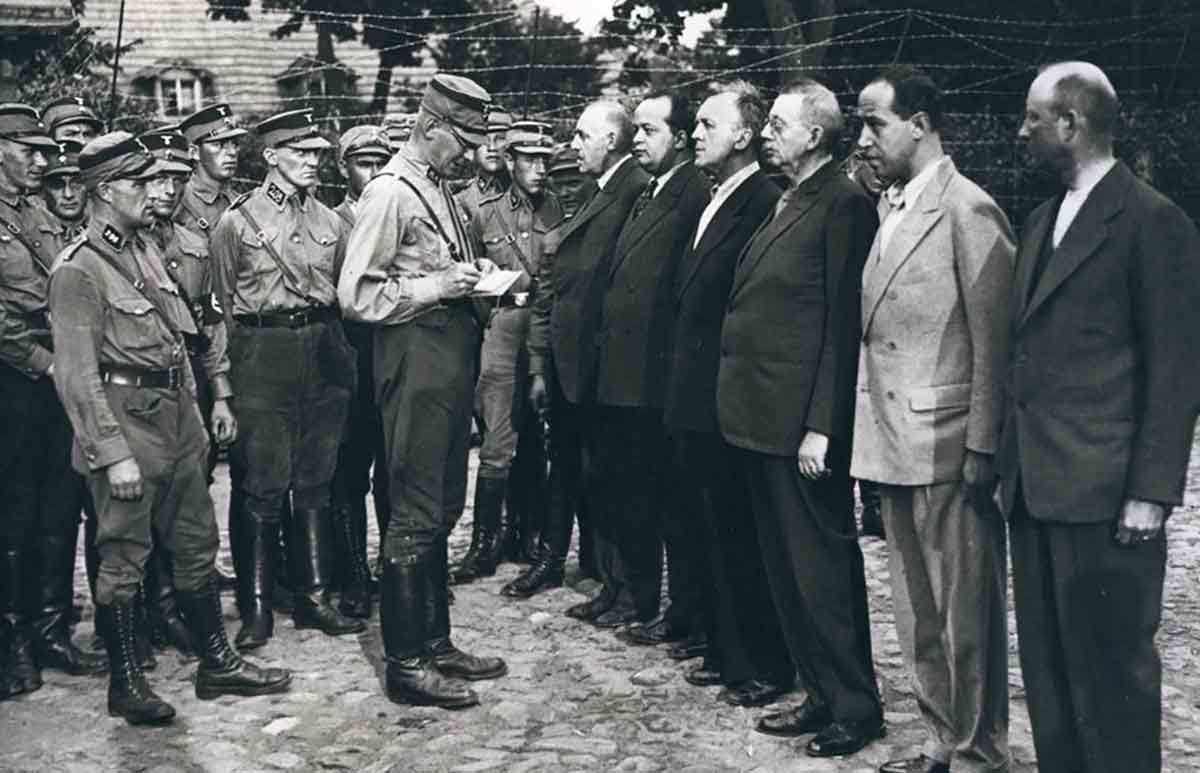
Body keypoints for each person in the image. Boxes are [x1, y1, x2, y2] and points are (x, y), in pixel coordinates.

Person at [48, 132, 291, 725]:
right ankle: (127, 683)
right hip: (126, 422)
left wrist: (199, 419)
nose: (156, 191)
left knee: (196, 542)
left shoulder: (145, 249)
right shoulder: (78, 269)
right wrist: (111, 453)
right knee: (124, 554)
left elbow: (180, 337)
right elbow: (77, 376)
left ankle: (217, 662)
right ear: (107, 191)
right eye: (141, 182)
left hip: (176, 419)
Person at [999, 61, 1200, 773]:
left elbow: (1176, 367)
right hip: (1036, 490)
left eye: (1031, 118)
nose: (1020, 131)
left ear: (1070, 123)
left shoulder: (1152, 220)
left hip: (1107, 497)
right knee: (1050, 678)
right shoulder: (1040, 220)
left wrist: (1151, 490)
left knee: (1113, 679)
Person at [852, 66, 1014, 773]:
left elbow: (994, 341)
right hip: (894, 442)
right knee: (917, 609)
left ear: (919, 124)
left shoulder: (967, 209)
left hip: (948, 445)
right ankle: (941, 738)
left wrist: (983, 444)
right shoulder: (891, 208)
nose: (863, 139)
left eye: (875, 123)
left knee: (965, 612)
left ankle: (980, 752)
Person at [717, 79, 883, 755]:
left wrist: (823, 426)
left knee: (821, 572)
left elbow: (842, 326)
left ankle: (855, 706)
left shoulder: (843, 204)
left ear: (815, 134)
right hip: (762, 420)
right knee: (787, 573)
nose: (766, 134)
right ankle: (819, 693)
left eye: (778, 125)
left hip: (801, 431)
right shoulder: (791, 196)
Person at [339, 74, 508, 710]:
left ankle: (435, 643)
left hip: (447, 359)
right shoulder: (390, 191)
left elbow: (433, 265)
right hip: (414, 360)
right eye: (462, 138)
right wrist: (436, 288)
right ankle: (406, 663)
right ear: (432, 127)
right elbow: (356, 294)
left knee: (439, 504)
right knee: (413, 508)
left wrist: (472, 275)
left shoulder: (435, 186)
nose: (469, 151)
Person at [209, 109, 366, 650]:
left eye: (317, 152)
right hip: (262, 353)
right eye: (300, 152)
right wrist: (224, 386)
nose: (312, 161)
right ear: (271, 156)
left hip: (322, 350)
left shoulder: (331, 221)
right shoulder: (237, 222)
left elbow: (344, 297)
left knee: (317, 480)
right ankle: (256, 608)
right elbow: (221, 312)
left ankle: (314, 598)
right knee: (263, 483)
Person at [661, 81, 782, 683]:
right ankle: (718, 644)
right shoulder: (715, 196)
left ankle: (750, 659)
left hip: (725, 398)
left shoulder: (762, 202)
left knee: (734, 532)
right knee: (704, 527)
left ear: (743, 135)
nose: (696, 133)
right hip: (692, 395)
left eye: (709, 124)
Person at [590, 92, 710, 634]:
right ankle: (627, 593)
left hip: (653, 380)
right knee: (625, 492)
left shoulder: (692, 195)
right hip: (623, 373)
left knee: (661, 503)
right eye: (635, 129)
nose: (636, 139)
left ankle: (674, 608)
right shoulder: (651, 192)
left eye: (649, 130)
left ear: (680, 138)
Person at [526, 101, 650, 623]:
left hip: (604, 366)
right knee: (591, 474)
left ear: (611, 140)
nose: (573, 145)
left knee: (616, 481)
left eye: (582, 135)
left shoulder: (633, 190)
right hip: (575, 365)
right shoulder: (601, 191)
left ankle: (626, 589)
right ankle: (611, 585)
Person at [0, 104, 107, 703]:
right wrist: (46, 362)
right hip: (14, 380)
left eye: (46, 151)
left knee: (60, 505)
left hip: (57, 371)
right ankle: (12, 639)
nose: (43, 162)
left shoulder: (40, 216)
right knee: (13, 512)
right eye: (30, 151)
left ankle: (51, 628)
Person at [137, 128, 236, 656]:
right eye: (158, 179)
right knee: (136, 502)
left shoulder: (195, 242)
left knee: (189, 490)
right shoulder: (121, 246)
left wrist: (220, 393)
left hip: (188, 376)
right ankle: (143, 611)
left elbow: (211, 321)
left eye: (178, 179)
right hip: (135, 384)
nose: (169, 190)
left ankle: (175, 601)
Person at [453, 120, 563, 584]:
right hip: (502, 326)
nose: (539, 169)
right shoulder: (484, 211)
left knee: (538, 437)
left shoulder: (558, 207)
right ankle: (485, 543)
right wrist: (491, 323)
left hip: (548, 327)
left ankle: (529, 533)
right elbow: (469, 279)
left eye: (545, 160)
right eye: (530, 160)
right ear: (511, 161)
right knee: (498, 440)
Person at [176, 103, 247, 236]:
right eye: (218, 144)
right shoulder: (177, 203)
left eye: (235, 144)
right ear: (194, 152)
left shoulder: (240, 202)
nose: (232, 152)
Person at [456, 109, 512, 219]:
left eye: (500, 139)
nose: (492, 148)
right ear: (472, 147)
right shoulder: (461, 200)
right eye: (483, 140)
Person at [41, 139, 89, 243]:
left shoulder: (102, 226)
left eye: (77, 183)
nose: (68, 195)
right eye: (57, 185)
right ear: (43, 191)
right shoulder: (33, 232)